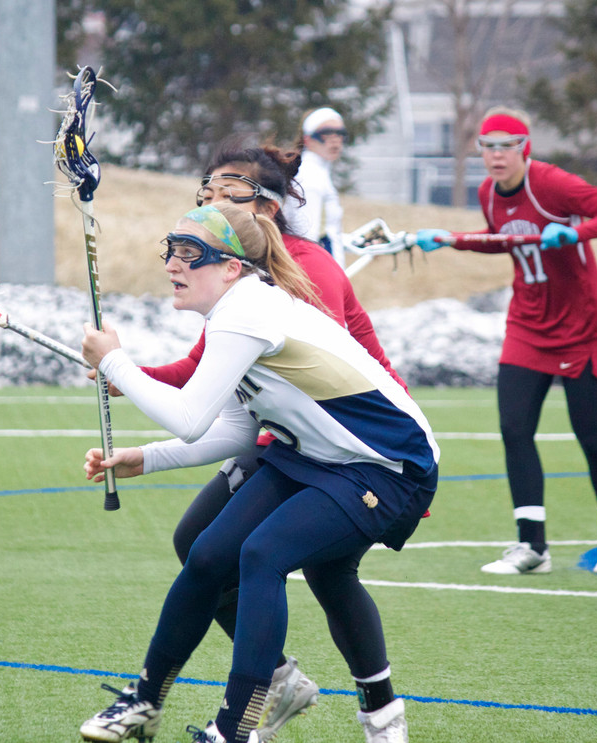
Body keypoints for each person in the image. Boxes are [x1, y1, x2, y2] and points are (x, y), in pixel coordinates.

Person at [79, 202, 439, 743]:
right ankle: (146, 701)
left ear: (231, 267)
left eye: (190, 253)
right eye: (170, 250)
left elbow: (190, 417)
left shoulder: (246, 311)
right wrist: (148, 457)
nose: (173, 265)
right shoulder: (233, 312)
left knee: (261, 555)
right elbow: (236, 434)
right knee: (207, 554)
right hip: (314, 456)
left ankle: (237, 728)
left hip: (386, 464)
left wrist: (115, 364)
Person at [415, 106, 597, 576]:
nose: (496, 156)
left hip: (582, 327)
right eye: (487, 147)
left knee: (592, 437)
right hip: (528, 325)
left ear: (525, 149)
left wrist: (575, 231)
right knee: (515, 430)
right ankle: (532, 546)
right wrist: (452, 239)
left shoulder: (553, 183)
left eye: (505, 146)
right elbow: (503, 240)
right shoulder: (487, 192)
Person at [282, 107, 348, 267]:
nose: (335, 140)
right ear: (308, 139)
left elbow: (329, 231)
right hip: (316, 270)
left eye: (339, 133)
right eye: (326, 133)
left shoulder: (319, 172)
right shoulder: (309, 175)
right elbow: (306, 237)